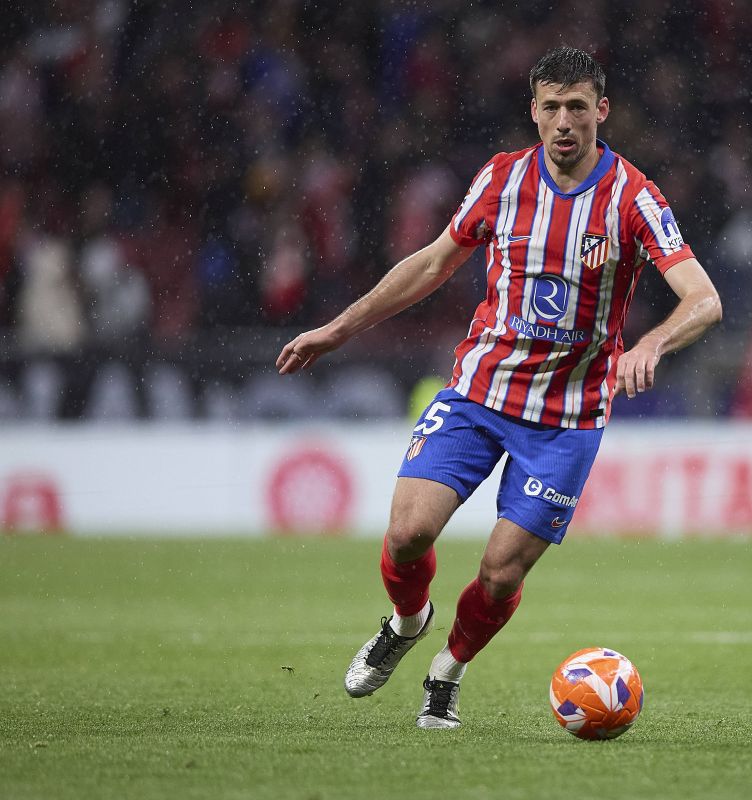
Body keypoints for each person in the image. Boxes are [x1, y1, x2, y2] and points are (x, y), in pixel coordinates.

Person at [276, 46, 722, 729]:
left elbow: (704, 298)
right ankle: (406, 622)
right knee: (407, 534)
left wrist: (653, 343)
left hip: (566, 419)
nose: (565, 121)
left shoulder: (633, 197)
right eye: (552, 107)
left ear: (602, 111)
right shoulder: (503, 178)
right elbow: (433, 262)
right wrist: (339, 329)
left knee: (501, 573)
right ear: (534, 112)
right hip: (479, 393)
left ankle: (447, 672)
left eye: (578, 107)